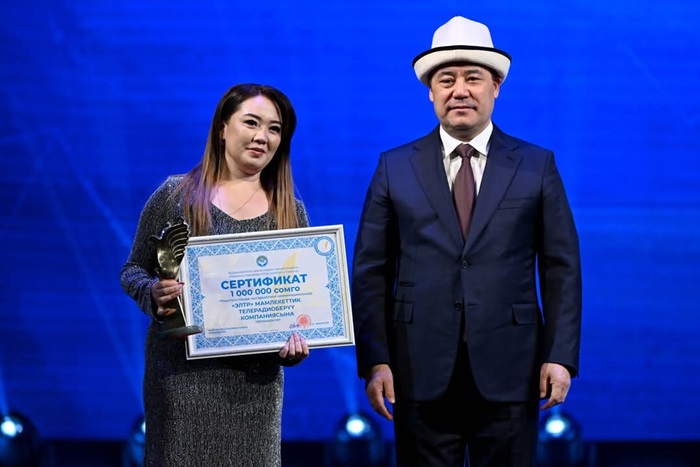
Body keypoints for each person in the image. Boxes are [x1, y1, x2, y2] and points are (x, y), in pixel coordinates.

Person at [352, 16, 582, 467]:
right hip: (416, 369)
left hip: (512, 368)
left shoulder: (536, 165)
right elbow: (370, 271)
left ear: (496, 86)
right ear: (430, 92)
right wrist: (376, 361)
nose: (460, 90)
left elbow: (562, 267)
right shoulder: (394, 167)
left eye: (473, 78)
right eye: (447, 80)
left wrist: (560, 356)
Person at [120, 83, 310, 467]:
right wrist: (153, 293)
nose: (262, 136)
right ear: (223, 128)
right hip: (180, 383)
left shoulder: (290, 213)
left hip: (255, 390)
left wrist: (294, 348)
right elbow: (133, 270)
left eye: (274, 129)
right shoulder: (175, 195)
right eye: (251, 122)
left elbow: (296, 307)